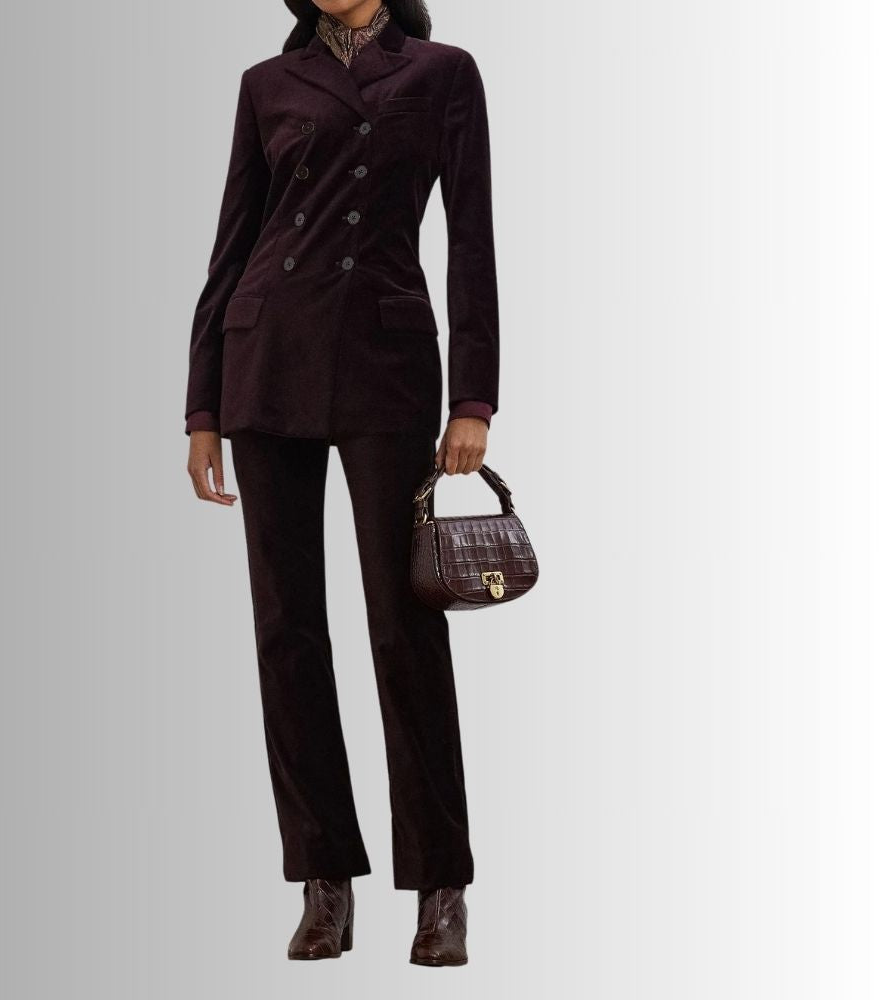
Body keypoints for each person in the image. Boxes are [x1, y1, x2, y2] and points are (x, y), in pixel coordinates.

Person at [184, 0, 499, 966]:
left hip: (384, 365)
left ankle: (440, 887)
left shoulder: (443, 71)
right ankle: (323, 880)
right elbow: (232, 245)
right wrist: (201, 408)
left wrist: (473, 399)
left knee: (405, 626)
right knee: (286, 629)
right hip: (264, 359)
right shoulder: (265, 85)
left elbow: (471, 238)